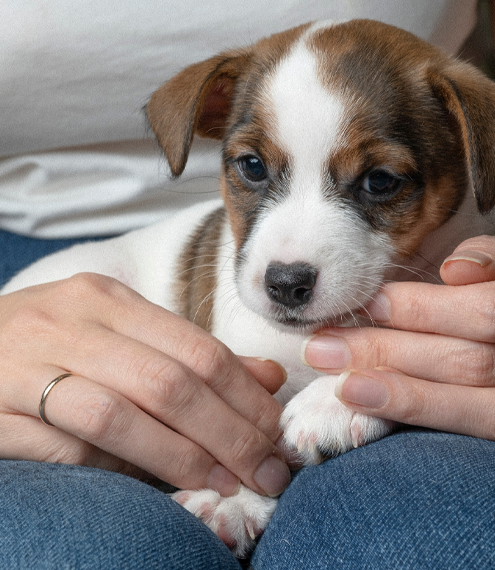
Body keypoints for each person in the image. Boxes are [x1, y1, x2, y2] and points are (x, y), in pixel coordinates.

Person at [1, 0, 493, 568]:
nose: (290, 262)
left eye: (378, 182)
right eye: (254, 169)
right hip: (38, 292)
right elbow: (262, 386)